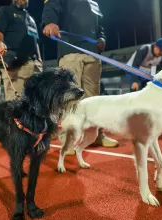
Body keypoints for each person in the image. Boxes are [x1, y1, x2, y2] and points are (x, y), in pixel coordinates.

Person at [42, 0, 119, 155]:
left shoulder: (95, 2)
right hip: (71, 49)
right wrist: (49, 22)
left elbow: (100, 24)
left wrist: (102, 38)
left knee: (94, 98)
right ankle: (68, 139)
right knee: (69, 98)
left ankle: (95, 135)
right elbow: (51, 5)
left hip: (92, 53)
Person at [0, 0, 43, 101]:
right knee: (15, 104)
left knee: (36, 103)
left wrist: (39, 58)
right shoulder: (5, 10)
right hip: (16, 65)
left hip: (34, 65)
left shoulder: (30, 17)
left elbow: (35, 40)